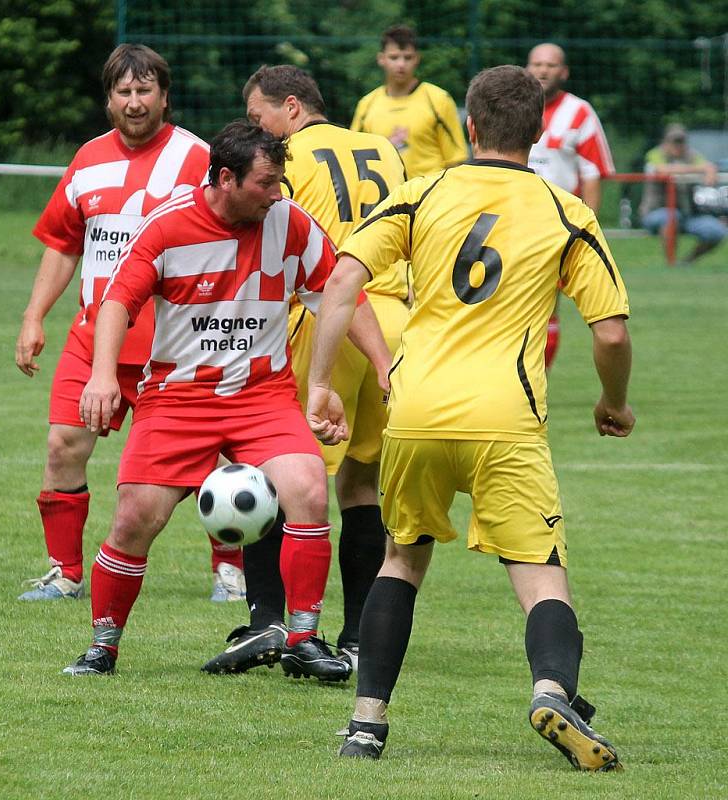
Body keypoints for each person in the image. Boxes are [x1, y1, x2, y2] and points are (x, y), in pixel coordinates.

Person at [307, 65, 634, 771]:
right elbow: (609, 333)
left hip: (416, 408)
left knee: (402, 560)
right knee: (541, 573)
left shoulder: (421, 192)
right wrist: (614, 403)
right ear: (541, 132)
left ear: (471, 125)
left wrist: (320, 386)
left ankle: (367, 724)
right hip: (504, 417)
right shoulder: (564, 210)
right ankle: (553, 690)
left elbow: (341, 280)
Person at [63, 120, 392, 679]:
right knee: (136, 519)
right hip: (177, 398)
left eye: (280, 181)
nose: (277, 193)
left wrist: (386, 367)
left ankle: (303, 638)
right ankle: (103, 645)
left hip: (263, 396)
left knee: (309, 491)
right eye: (266, 182)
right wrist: (99, 377)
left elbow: (341, 296)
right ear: (225, 178)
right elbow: (117, 302)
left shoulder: (289, 223)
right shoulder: (167, 226)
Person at [14, 44, 245, 604]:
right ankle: (66, 572)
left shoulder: (198, 159)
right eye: (124, 92)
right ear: (109, 99)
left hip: (175, 342)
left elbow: (230, 237)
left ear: (165, 97)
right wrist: (34, 315)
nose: (135, 103)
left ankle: (230, 570)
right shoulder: (88, 158)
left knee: (214, 457)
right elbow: (65, 244)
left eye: (145, 91)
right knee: (63, 444)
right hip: (95, 336)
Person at [201, 65, 407, 675]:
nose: (254, 130)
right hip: (393, 320)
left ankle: (269, 619)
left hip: (326, 321)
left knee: (277, 471)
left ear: (291, 108)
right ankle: (360, 634)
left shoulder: (290, 158)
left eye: (259, 116)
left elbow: (273, 236)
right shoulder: (379, 149)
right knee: (361, 485)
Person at [526, 42, 615, 369]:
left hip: (557, 227)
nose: (543, 70)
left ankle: (539, 378)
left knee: (548, 307)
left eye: (550, 65)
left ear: (563, 72)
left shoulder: (579, 112)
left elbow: (592, 174)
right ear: (527, 68)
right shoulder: (515, 106)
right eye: (537, 64)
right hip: (512, 222)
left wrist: (586, 229)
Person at [351, 25, 468, 179]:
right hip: (385, 199)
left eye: (407, 57)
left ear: (417, 59)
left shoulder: (438, 99)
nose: (401, 64)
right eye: (394, 57)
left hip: (428, 198)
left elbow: (456, 160)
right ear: (381, 59)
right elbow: (353, 159)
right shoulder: (367, 104)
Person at [640, 122, 727, 264]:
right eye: (675, 141)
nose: (678, 145)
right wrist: (700, 169)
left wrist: (710, 169)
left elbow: (708, 166)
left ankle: (686, 262)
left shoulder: (692, 155)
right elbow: (662, 169)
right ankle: (671, 264)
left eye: (681, 141)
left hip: (687, 215)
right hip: (655, 213)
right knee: (671, 217)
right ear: (665, 142)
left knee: (717, 231)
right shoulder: (655, 154)